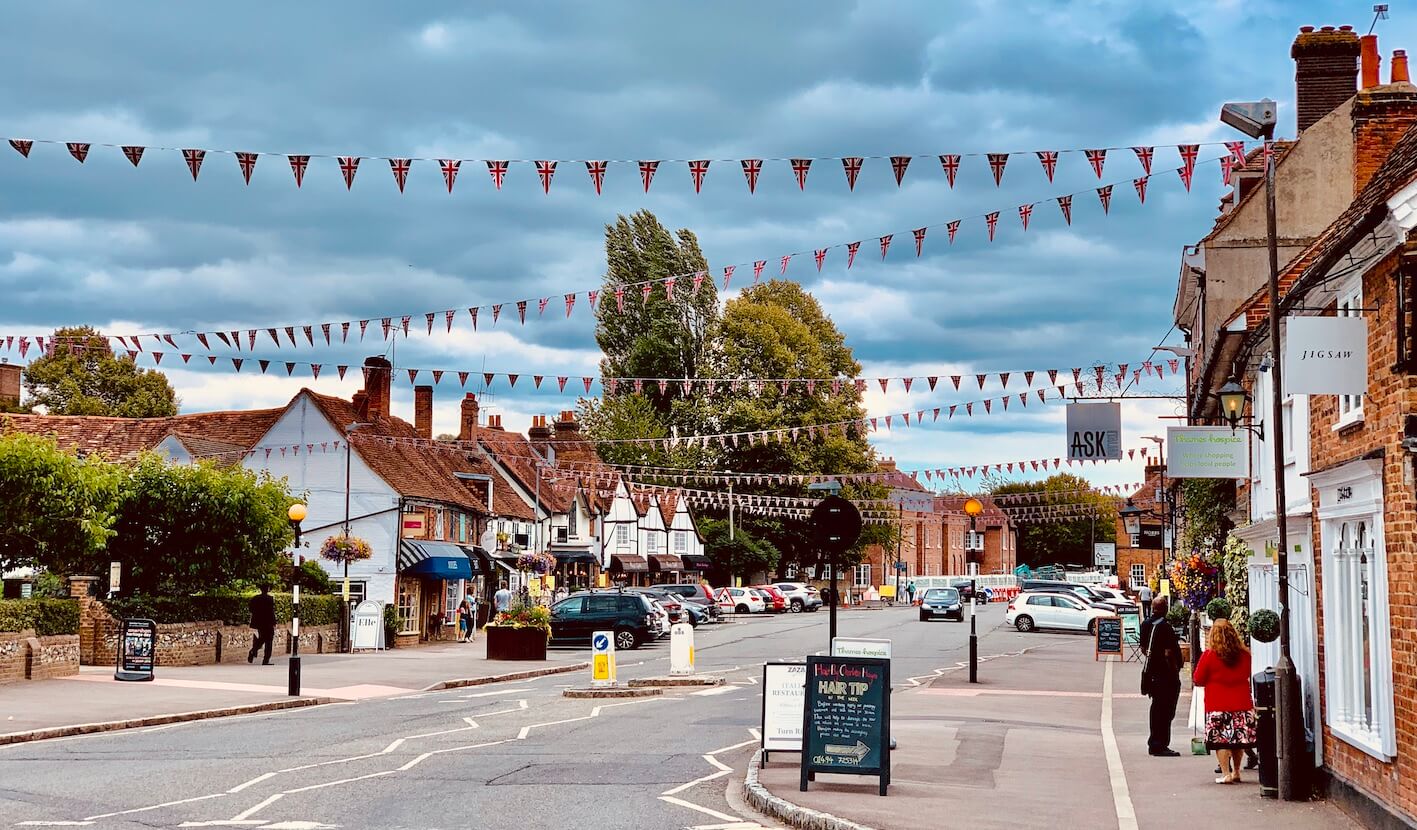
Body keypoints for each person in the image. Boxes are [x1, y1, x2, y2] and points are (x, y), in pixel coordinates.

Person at [1193, 619, 1257, 784]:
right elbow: (1247, 673)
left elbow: (1198, 679)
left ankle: (1226, 773)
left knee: (1221, 740)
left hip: (1217, 704)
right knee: (1238, 740)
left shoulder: (1209, 655)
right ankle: (1236, 771)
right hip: (1242, 703)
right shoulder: (1245, 655)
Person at [1142, 595, 1183, 756]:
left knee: (1156, 709)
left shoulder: (1145, 624)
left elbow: (1144, 649)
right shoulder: (1165, 627)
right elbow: (1169, 652)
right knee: (1166, 711)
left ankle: (1154, 742)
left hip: (1151, 673)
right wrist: (1175, 670)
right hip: (1166, 675)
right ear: (1165, 609)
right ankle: (1160, 744)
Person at [247, 584, 277, 665]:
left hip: (259, 623)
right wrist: (274, 622)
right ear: (267, 589)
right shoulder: (269, 599)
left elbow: (251, 609)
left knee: (262, 638)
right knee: (268, 641)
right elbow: (271, 611)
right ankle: (266, 660)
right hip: (268, 622)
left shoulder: (255, 598)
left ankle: (253, 651)